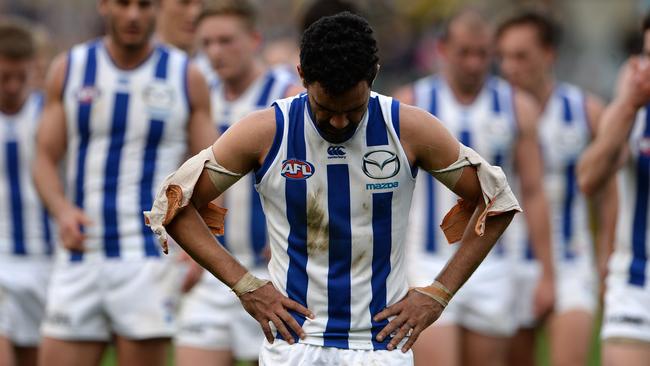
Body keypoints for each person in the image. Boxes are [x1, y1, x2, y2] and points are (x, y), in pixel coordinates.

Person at [145, 11, 521, 365]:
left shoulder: (408, 128)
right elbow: (174, 204)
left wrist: (438, 294)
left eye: (353, 109)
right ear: (302, 74)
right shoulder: (267, 130)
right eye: (325, 108)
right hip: (295, 345)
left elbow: (497, 202)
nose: (340, 122)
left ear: (373, 74)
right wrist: (245, 285)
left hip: (381, 345)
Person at [32, 0, 215, 365]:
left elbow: (210, 171)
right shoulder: (70, 68)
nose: (133, 15)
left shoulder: (185, 75)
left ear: (158, 9)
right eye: (123, 4)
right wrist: (62, 210)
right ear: (104, 5)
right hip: (81, 253)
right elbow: (43, 158)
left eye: (144, 5)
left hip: (149, 258)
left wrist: (201, 247)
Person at [393, 10, 553, 366]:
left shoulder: (517, 107)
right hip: (426, 259)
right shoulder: (411, 103)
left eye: (483, 53)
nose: (474, 62)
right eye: (465, 52)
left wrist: (546, 271)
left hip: (493, 262)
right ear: (443, 49)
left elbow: (534, 191)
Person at [174, 2, 301, 365]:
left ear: (254, 39)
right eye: (207, 43)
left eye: (226, 41)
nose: (215, 52)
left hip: (275, 275)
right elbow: (183, 175)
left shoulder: (289, 96)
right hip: (213, 270)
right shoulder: (200, 95)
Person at [496, 11, 617, 366]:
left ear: (549, 55)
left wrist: (606, 253)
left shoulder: (586, 110)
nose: (509, 67)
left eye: (521, 56)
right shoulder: (490, 110)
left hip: (571, 260)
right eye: (503, 56)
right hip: (507, 261)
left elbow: (610, 193)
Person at [578, 12, 650, 366]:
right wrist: (627, 106)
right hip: (636, 280)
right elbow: (589, 179)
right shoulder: (632, 104)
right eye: (647, 56)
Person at [0, 18, 53, 366]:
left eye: (22, 77)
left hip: (46, 261)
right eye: (4, 77)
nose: (13, 86)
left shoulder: (49, 116)